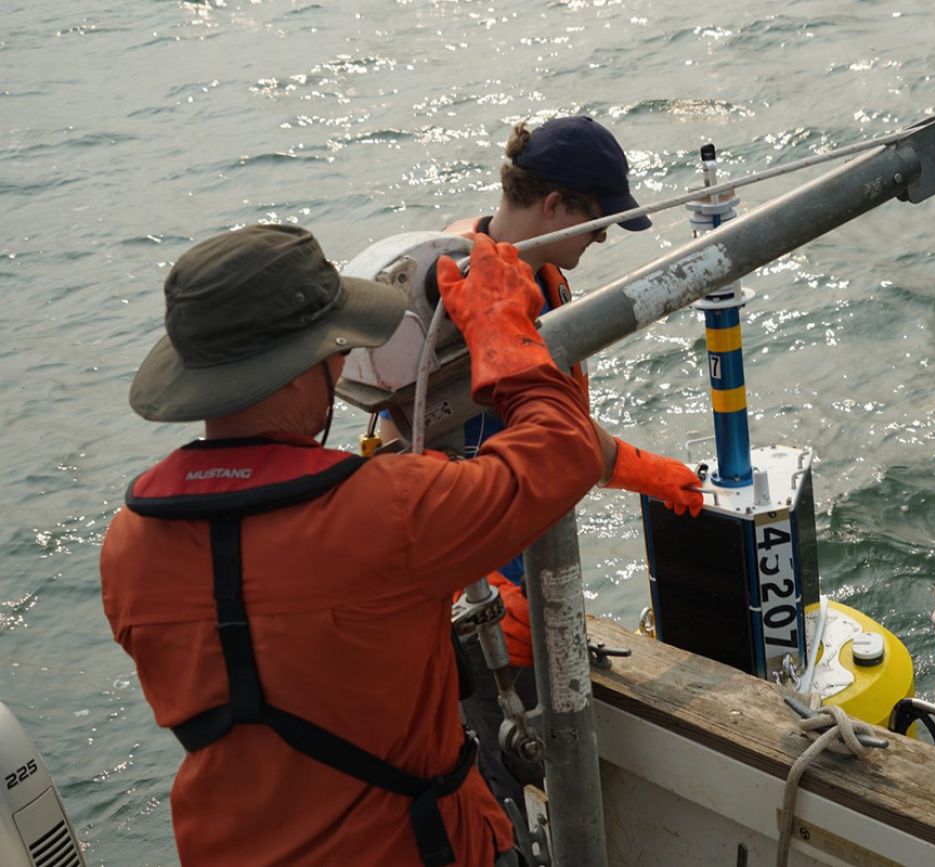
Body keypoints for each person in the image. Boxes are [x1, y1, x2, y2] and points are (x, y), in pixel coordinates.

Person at [100, 225, 609, 866]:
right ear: (292, 373)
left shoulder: (128, 544)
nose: (342, 363)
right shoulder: (386, 512)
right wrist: (502, 333)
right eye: (335, 347)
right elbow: (563, 450)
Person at [427, 116, 706, 806]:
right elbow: (431, 465)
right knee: (490, 793)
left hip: (531, 571)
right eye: (598, 224)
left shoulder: (541, 274)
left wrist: (639, 468)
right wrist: (480, 592)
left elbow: (552, 428)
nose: (601, 240)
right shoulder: (466, 289)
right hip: (482, 605)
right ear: (554, 206)